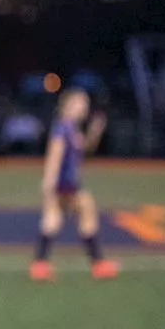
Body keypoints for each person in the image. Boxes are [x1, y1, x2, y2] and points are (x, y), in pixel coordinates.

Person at [30, 88, 118, 281]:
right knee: (84, 211)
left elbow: (83, 149)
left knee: (53, 220)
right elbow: (55, 154)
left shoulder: (71, 128)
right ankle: (98, 262)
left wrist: (95, 132)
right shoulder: (63, 128)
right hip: (64, 183)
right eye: (81, 102)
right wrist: (49, 180)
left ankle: (40, 264)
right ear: (69, 105)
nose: (85, 106)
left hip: (68, 182)